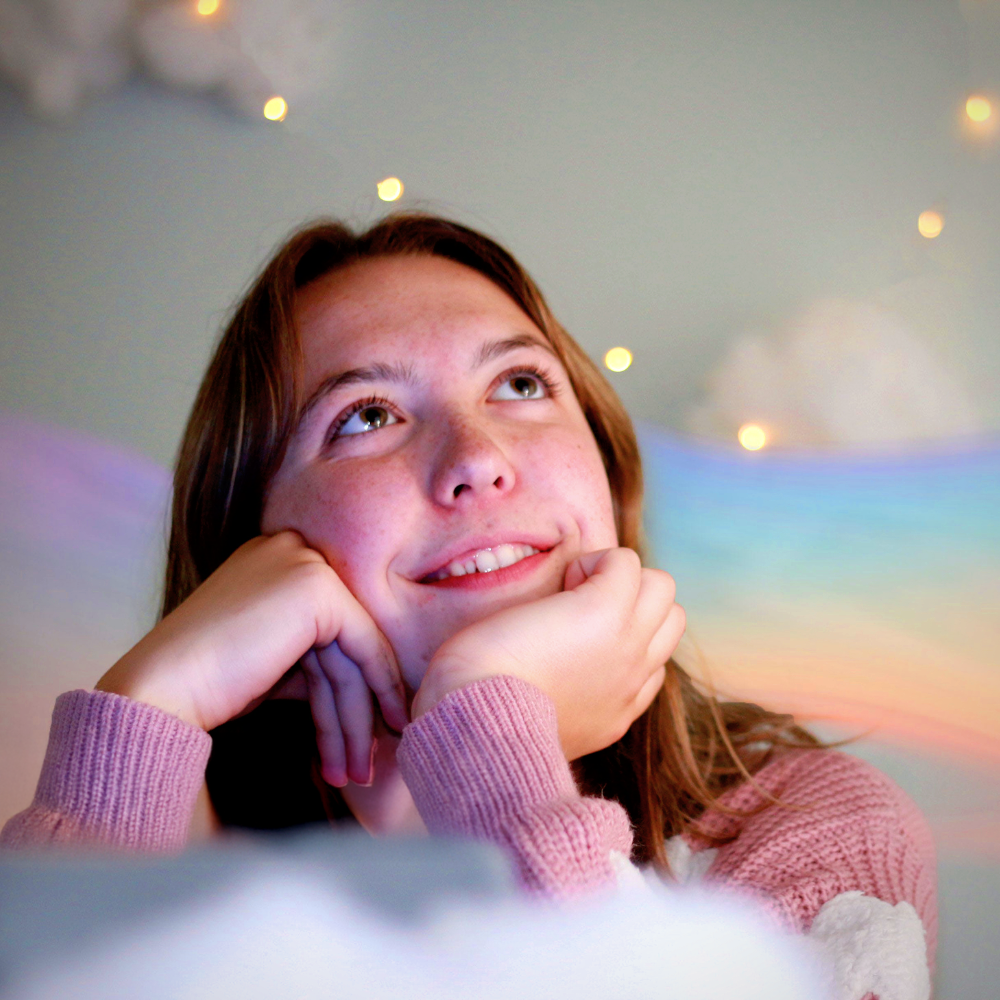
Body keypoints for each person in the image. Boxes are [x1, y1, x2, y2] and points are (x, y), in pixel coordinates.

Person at [2, 214, 936, 998]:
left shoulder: (815, 833)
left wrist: (483, 709)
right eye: (367, 415)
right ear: (253, 549)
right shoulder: (202, 909)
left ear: (607, 471)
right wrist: (147, 706)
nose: (478, 457)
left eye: (520, 384)